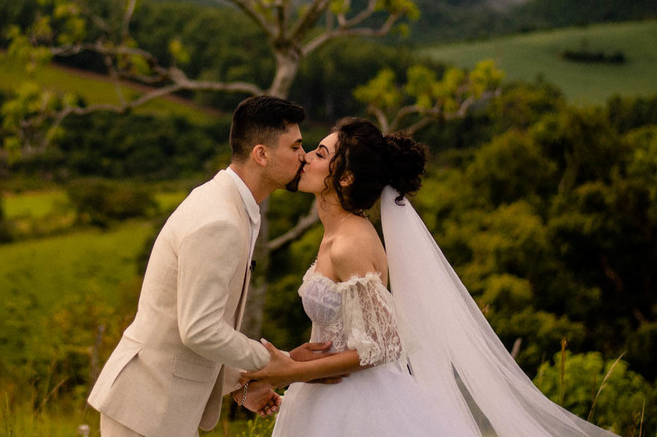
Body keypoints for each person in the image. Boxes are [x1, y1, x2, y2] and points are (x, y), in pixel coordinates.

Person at [243, 117, 620, 437]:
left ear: (346, 178)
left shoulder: (350, 244)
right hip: (325, 398)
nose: (305, 158)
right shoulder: (334, 233)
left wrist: (292, 371)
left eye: (320, 154)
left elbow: (384, 344)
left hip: (359, 407)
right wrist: (293, 368)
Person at [88, 95, 325, 437]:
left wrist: (242, 384)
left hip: (158, 407)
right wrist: (268, 361)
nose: (304, 156)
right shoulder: (221, 220)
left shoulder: (229, 204)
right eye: (296, 146)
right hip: (146, 410)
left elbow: (196, 323)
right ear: (261, 154)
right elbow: (199, 328)